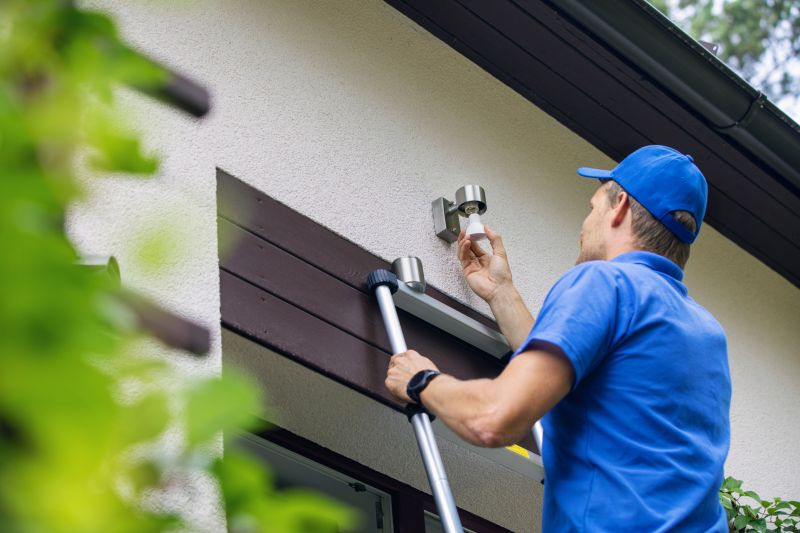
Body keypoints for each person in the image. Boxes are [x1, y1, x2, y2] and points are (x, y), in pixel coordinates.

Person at [384, 145, 732, 532]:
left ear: (619, 207)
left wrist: (422, 381)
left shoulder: (605, 281)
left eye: (592, 208)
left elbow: (493, 419)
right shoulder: (705, 332)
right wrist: (502, 293)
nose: (585, 225)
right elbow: (571, 378)